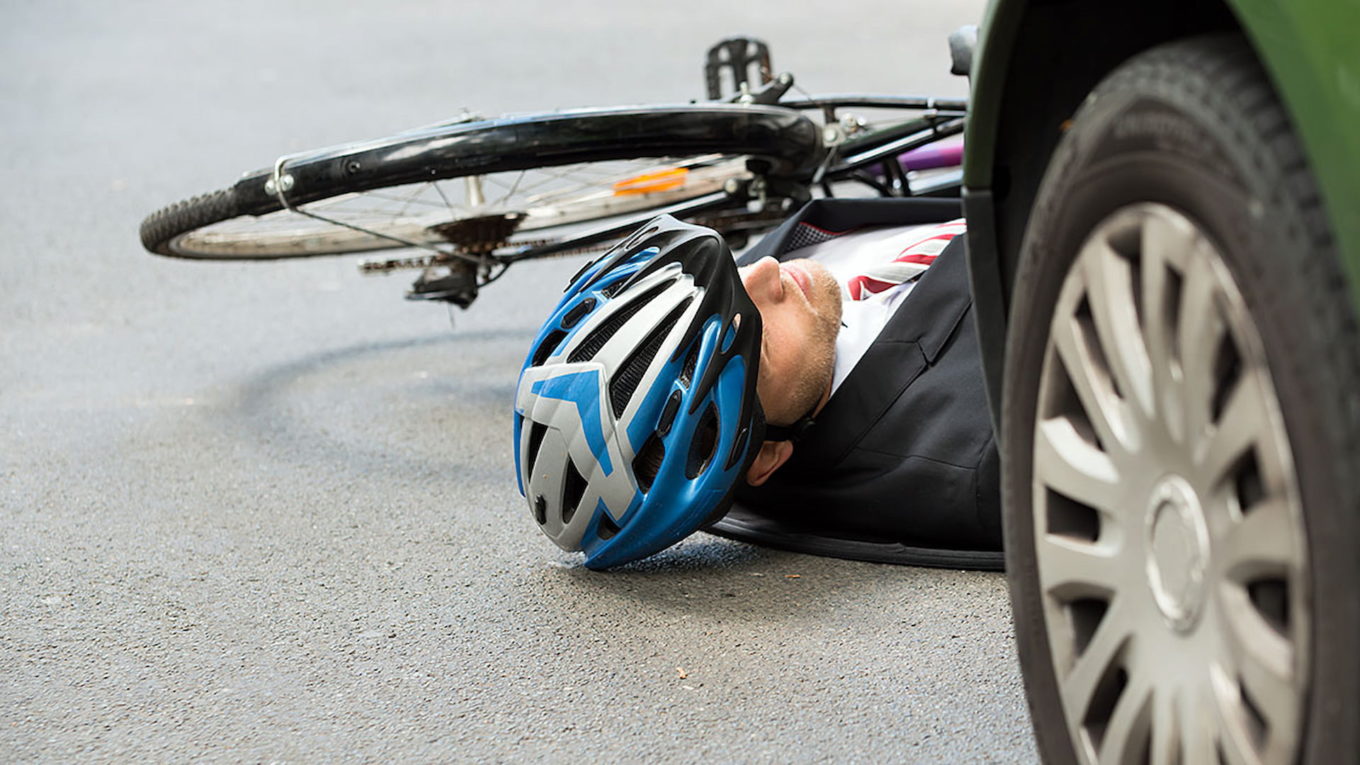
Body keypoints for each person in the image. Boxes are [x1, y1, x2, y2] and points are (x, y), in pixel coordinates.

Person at [513, 198, 1000, 570]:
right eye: (757, 338)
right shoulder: (979, 449)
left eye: (729, 273)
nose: (767, 270)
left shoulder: (777, 291)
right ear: (767, 454)